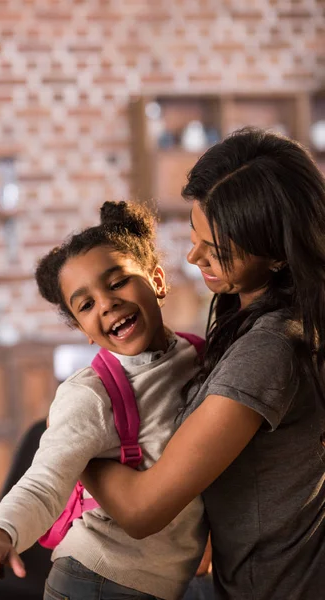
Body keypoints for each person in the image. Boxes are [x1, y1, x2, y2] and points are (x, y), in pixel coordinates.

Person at [80, 128, 325, 600]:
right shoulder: (279, 316)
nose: (193, 256)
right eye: (194, 233)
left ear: (276, 254)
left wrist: (73, 443)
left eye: (216, 250)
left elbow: (143, 512)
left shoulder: (270, 350)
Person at [0, 200, 210, 600]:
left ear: (157, 280)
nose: (107, 304)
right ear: (84, 329)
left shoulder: (202, 357)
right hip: (98, 583)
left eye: (117, 281)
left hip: (168, 583)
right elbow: (42, 482)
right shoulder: (91, 393)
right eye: (86, 305)